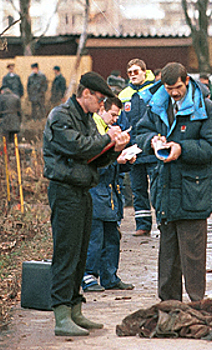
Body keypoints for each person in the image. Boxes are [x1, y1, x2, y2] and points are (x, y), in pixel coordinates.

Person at [43, 71, 132, 336]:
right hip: (65, 190)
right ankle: (61, 314)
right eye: (100, 99)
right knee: (66, 252)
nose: (102, 105)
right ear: (86, 95)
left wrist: (113, 150)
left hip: (83, 190)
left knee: (80, 252)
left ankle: (74, 308)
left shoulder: (87, 119)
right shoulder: (60, 116)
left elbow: (93, 157)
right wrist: (107, 139)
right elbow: (79, 147)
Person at [134, 62, 212, 302]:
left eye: (176, 87)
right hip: (165, 190)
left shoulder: (205, 108)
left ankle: (197, 303)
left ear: (186, 81)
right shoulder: (157, 105)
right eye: (167, 87)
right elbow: (140, 132)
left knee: (193, 257)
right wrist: (152, 141)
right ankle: (169, 305)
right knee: (168, 256)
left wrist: (181, 148)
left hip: (193, 191)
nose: (173, 92)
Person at [82, 96, 135, 292]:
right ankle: (88, 277)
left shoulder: (108, 131)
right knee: (94, 238)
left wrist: (125, 161)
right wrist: (115, 159)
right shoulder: (94, 132)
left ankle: (110, 276)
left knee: (112, 237)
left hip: (111, 194)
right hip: (96, 193)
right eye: (113, 115)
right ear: (102, 109)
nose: (115, 120)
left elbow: (111, 168)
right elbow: (95, 164)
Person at [119, 58, 157, 236]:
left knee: (157, 186)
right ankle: (142, 224)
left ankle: (164, 222)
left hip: (151, 147)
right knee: (137, 188)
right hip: (132, 149)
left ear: (144, 71)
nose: (133, 75)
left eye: (136, 71)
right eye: (130, 73)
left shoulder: (155, 90)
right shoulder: (123, 94)